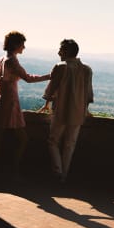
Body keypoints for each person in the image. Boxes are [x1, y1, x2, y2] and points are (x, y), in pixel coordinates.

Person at [0, 31, 50, 177]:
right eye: (22, 44)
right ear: (16, 44)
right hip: (10, 103)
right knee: (22, 139)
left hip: (1, 101)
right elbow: (28, 78)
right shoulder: (12, 61)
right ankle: (15, 169)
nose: (24, 47)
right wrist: (49, 76)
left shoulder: (2, 59)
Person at [39, 39, 94, 183]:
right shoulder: (87, 69)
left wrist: (47, 104)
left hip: (61, 110)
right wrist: (85, 110)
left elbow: (51, 90)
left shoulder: (60, 67)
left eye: (61, 49)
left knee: (53, 141)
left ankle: (57, 171)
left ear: (67, 51)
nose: (58, 52)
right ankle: (64, 176)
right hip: (78, 112)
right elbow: (88, 94)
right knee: (70, 144)